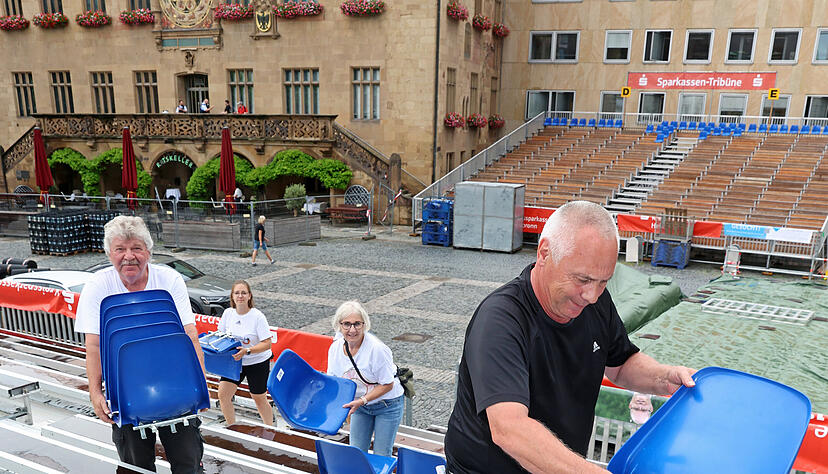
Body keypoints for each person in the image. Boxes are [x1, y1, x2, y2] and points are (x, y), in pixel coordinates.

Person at [444, 201, 696, 473]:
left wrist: (665, 378)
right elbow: (510, 429)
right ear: (544, 253)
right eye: (582, 280)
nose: (592, 295)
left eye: (604, 281)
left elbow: (621, 364)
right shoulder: (501, 319)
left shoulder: (596, 302)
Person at [75, 216, 206, 473]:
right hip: (125, 389)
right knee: (135, 466)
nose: (129, 256)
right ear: (109, 253)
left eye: (136, 248)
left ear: (148, 251)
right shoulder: (98, 286)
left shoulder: (169, 280)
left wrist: (199, 384)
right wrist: (95, 392)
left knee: (188, 461)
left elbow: (189, 334)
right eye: (120, 249)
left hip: (173, 382)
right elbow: (94, 346)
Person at [327, 301, 404, 457]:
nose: (352, 330)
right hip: (360, 406)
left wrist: (362, 400)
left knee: (381, 454)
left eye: (357, 324)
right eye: (347, 324)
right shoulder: (335, 349)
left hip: (386, 404)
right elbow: (335, 381)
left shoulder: (377, 349)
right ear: (339, 325)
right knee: (356, 452)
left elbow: (387, 384)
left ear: (365, 325)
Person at [216, 280, 274, 426]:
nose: (240, 296)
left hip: (257, 362)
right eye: (237, 293)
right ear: (232, 296)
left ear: (249, 296)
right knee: (223, 395)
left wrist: (247, 350)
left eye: (243, 293)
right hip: (235, 362)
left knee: (259, 398)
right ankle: (232, 426)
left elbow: (267, 343)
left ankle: (270, 428)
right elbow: (220, 336)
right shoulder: (228, 313)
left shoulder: (257, 316)